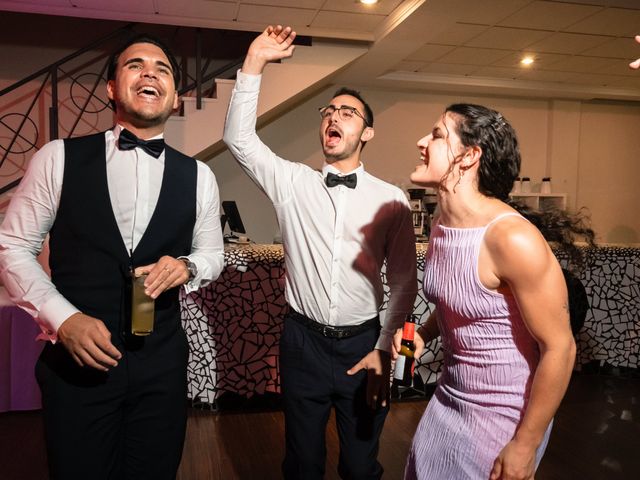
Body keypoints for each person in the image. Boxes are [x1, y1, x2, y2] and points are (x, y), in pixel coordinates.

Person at [0, 34, 225, 479]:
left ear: (175, 95)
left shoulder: (200, 175)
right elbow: (13, 246)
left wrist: (188, 266)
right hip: (77, 369)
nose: (149, 73)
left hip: (161, 366)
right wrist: (63, 319)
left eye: (162, 69)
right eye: (135, 65)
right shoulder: (58, 158)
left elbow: (212, 253)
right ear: (110, 86)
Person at [223, 25, 417, 480]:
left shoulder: (393, 200)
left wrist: (388, 350)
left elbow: (406, 282)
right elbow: (238, 139)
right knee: (303, 462)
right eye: (328, 110)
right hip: (302, 344)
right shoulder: (292, 183)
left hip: (365, 344)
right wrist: (254, 61)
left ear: (367, 131)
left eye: (348, 112)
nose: (334, 116)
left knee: (359, 463)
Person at [399, 104, 582, 480]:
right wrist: (423, 335)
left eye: (436, 135)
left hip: (503, 416)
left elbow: (560, 349)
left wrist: (525, 444)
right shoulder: (441, 222)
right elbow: (460, 300)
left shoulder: (511, 238)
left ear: (469, 156)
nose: (421, 142)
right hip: (448, 399)